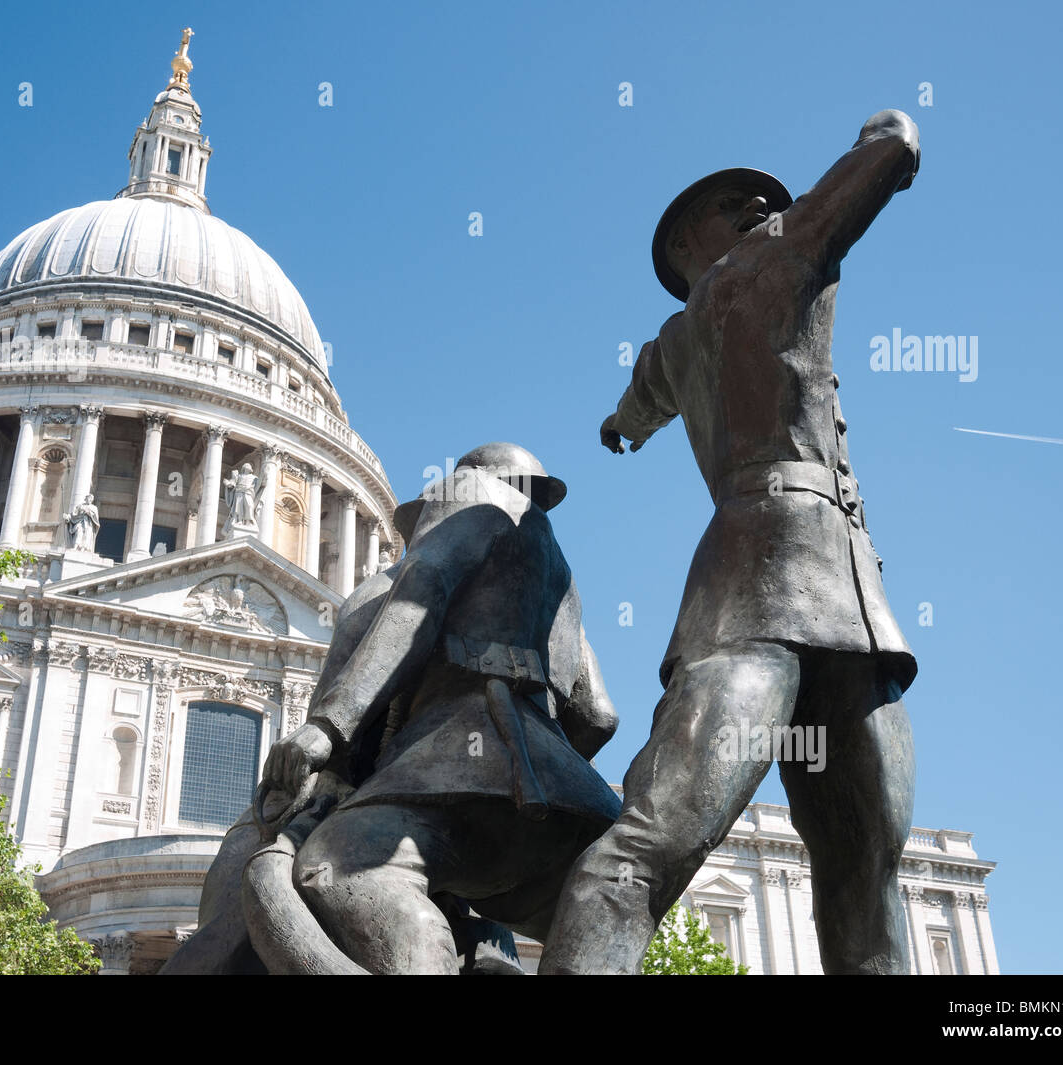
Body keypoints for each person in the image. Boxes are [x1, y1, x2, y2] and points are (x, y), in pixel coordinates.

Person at [541, 110, 922, 975]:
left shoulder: (672, 344)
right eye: (733, 202)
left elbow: (635, 404)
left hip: (835, 603)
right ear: (685, 242)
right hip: (771, 585)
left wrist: (619, 427)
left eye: (764, 200)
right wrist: (887, 132)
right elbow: (890, 153)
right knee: (667, 839)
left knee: (859, 877)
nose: (758, 205)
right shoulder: (777, 256)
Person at [258, 442, 621, 973]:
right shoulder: (560, 572)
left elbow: (418, 596)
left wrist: (326, 728)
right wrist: (548, 766)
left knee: (342, 867)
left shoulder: (470, 496)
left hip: (467, 762)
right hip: (578, 812)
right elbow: (599, 716)